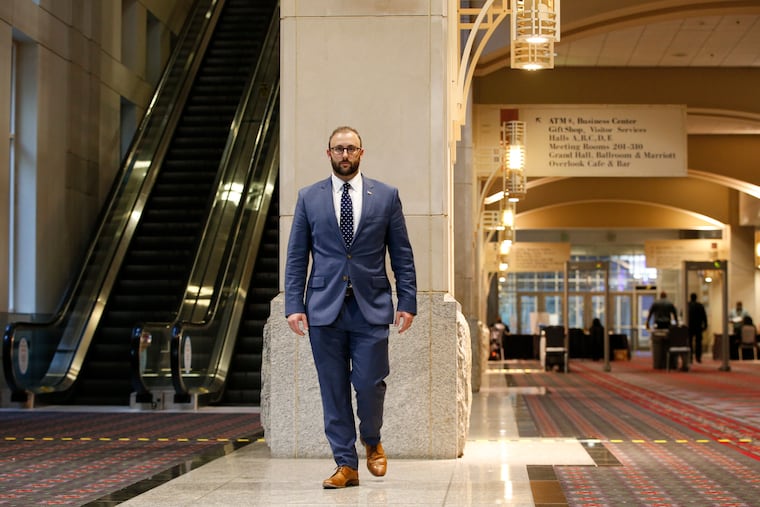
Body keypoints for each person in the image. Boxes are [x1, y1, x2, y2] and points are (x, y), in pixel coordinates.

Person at [284, 126, 417, 489]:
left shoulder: (386, 196)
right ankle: (346, 464)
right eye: (339, 149)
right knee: (333, 388)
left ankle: (371, 439)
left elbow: (401, 253)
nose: (345, 154)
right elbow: (297, 256)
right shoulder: (309, 197)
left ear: (362, 153)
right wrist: (294, 304)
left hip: (371, 306)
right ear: (328, 153)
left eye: (351, 149)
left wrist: (407, 300)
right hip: (323, 308)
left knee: (370, 382)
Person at [687, 293, 708, 363]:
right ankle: (698, 357)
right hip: (698, 327)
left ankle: (690, 357)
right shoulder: (700, 306)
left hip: (689, 326)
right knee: (698, 343)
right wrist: (705, 325)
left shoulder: (687, 305)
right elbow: (704, 316)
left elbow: (682, 314)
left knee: (689, 342)